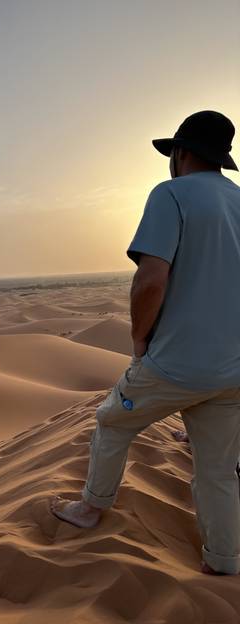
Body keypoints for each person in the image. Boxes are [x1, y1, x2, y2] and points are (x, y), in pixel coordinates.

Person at [51, 111, 240, 575]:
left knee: (112, 423)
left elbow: (151, 279)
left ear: (181, 153)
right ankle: (223, 560)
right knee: (217, 469)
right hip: (233, 369)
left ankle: (90, 508)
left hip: (176, 363)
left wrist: (139, 339)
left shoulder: (171, 194)